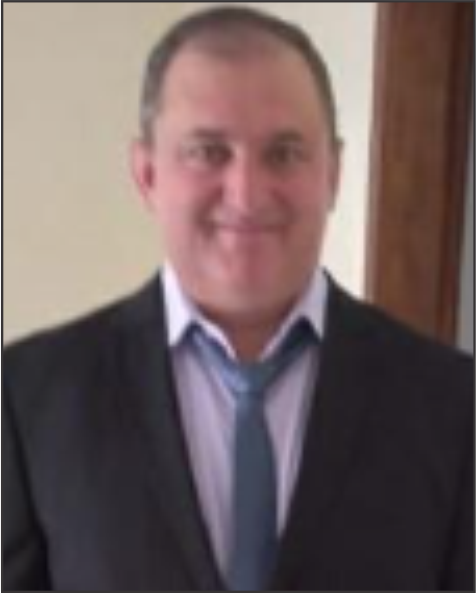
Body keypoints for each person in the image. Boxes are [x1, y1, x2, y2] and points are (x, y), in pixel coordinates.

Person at [2, 6, 473, 591]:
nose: (247, 195)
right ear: (147, 175)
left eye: (284, 153)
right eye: (208, 152)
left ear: (332, 173)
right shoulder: (30, 401)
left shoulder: (453, 405)